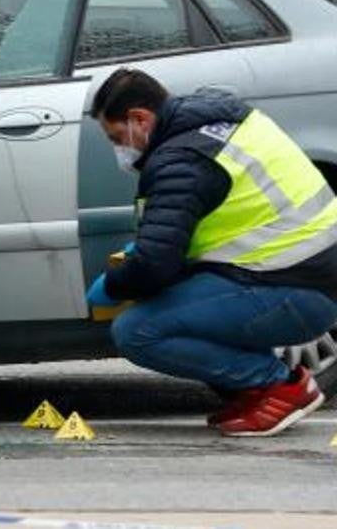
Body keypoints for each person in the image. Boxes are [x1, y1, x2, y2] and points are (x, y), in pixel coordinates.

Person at [86, 68, 337, 437]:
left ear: (140, 119)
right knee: (177, 302)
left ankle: (279, 386)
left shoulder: (180, 160)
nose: (119, 149)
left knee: (136, 330)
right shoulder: (221, 122)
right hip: (304, 278)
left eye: (116, 137)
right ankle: (256, 392)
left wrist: (115, 284)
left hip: (294, 290)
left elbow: (155, 266)